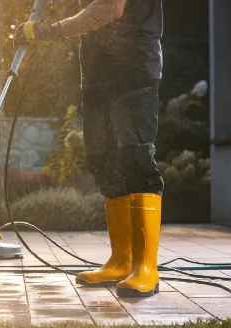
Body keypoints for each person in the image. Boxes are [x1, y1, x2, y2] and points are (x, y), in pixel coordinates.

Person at [14, 0, 164, 298]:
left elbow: (109, 8)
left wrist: (49, 31)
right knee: (104, 162)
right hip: (97, 78)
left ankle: (147, 268)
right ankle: (121, 261)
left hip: (132, 72)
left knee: (136, 161)